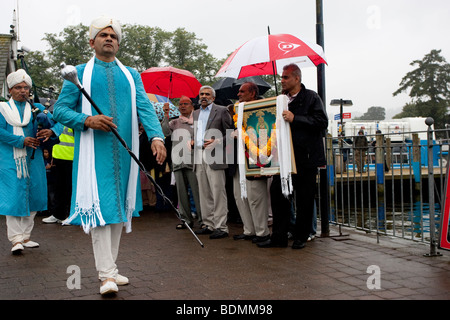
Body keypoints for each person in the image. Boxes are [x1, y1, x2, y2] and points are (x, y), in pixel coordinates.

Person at [53, 16, 166, 296]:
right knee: (102, 208)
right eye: (103, 35)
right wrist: (86, 120)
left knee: (118, 209)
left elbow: (144, 107)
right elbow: (59, 111)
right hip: (94, 154)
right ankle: (105, 275)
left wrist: (156, 136)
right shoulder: (78, 74)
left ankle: (111, 268)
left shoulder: (131, 75)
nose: (109, 39)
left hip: (125, 152)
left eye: (113, 36)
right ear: (92, 42)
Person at [258, 64, 328, 249]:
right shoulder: (280, 100)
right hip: (283, 158)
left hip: (305, 158)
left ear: (297, 78)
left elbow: (322, 122)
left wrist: (295, 118)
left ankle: (301, 237)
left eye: (286, 77)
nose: (282, 80)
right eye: (281, 77)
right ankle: (278, 237)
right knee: (278, 195)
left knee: (304, 198)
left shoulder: (311, 97)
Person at [0, 69, 62, 254]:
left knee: (35, 195)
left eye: (26, 87)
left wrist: (49, 132)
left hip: (33, 160)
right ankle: (15, 239)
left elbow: (58, 124)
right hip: (10, 160)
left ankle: (26, 236)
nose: (22, 91)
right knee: (14, 198)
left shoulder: (37, 111)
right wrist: (20, 140)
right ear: (10, 90)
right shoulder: (2, 110)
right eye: (18, 87)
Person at [231, 82, 270, 243]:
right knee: (240, 196)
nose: (238, 94)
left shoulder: (262, 110)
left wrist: (244, 135)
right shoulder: (236, 110)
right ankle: (249, 230)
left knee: (256, 197)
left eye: (242, 91)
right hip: (237, 160)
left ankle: (262, 232)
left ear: (253, 93)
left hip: (254, 158)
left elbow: (265, 133)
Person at [193, 86, 233, 239]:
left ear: (213, 97)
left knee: (218, 191)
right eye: (201, 94)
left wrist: (217, 141)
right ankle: (208, 224)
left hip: (216, 154)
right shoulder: (195, 113)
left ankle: (221, 227)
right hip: (199, 154)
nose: (204, 96)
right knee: (204, 192)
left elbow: (230, 133)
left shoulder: (222, 110)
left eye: (207, 94)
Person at [161, 96, 202, 229]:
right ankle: (186, 220)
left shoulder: (197, 121)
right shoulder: (174, 122)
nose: (183, 106)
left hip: (193, 161)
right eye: (180, 104)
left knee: (197, 191)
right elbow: (165, 132)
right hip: (178, 161)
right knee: (181, 192)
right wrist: (165, 115)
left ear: (192, 106)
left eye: (186, 104)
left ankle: (203, 220)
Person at [42, 126, 74, 224]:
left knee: (69, 188)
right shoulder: (58, 119)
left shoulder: (74, 115)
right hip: (58, 157)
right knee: (58, 188)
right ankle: (58, 215)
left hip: (71, 157)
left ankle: (70, 215)